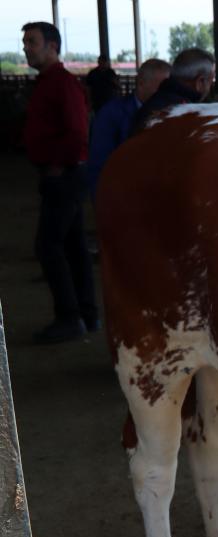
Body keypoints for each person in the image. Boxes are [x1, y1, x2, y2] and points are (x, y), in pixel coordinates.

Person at [21, 21, 95, 344]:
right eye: (25, 42)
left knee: (49, 245)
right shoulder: (48, 83)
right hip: (63, 173)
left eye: (32, 42)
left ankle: (69, 317)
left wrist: (56, 164)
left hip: (64, 175)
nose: (26, 47)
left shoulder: (62, 84)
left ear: (52, 46)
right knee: (73, 245)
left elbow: (78, 133)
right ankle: (87, 315)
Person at [87, 58, 169, 199]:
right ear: (142, 83)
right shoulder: (111, 113)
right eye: (162, 87)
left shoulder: (168, 112)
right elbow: (99, 164)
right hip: (122, 196)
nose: (167, 93)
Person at [132, 48, 215, 133]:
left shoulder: (150, 106)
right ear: (200, 82)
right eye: (211, 81)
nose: (211, 87)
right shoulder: (187, 116)